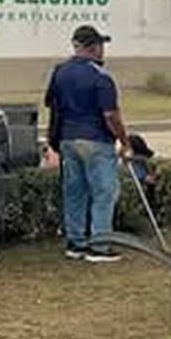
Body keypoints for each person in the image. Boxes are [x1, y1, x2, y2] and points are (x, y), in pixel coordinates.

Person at [44, 25, 133, 263]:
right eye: (101, 45)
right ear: (93, 48)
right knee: (104, 192)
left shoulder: (59, 72)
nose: (103, 50)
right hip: (96, 139)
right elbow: (110, 115)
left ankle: (76, 243)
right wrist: (124, 141)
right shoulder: (101, 76)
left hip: (67, 139)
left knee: (75, 192)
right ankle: (99, 246)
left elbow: (52, 105)